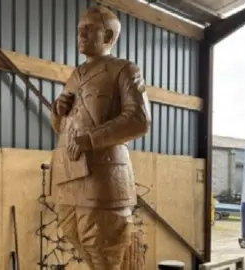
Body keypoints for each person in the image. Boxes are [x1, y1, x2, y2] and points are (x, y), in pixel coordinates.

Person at [49, 5, 151, 270]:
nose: (81, 34)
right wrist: (58, 111)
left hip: (104, 177)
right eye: (79, 30)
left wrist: (91, 138)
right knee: (76, 235)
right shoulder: (76, 75)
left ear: (108, 37)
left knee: (102, 246)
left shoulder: (124, 70)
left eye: (88, 30)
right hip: (69, 175)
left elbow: (139, 119)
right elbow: (62, 127)